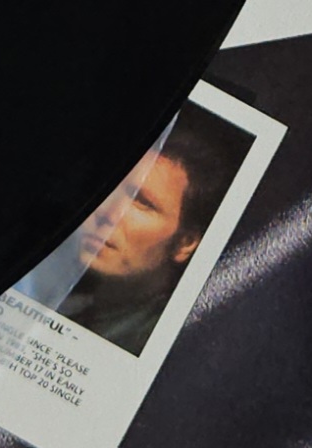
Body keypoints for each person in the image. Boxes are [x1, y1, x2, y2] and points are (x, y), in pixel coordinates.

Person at [15, 112, 249, 354]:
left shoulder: (173, 346)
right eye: (110, 187)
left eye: (143, 202)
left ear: (185, 243)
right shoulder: (59, 298)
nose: (107, 212)